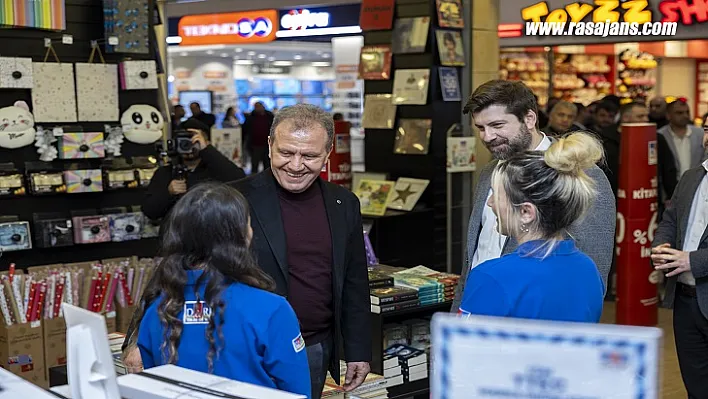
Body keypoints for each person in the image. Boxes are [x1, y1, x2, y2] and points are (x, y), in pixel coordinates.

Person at [231, 104, 371, 398]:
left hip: (313, 349)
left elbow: (355, 281)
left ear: (327, 154)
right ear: (269, 146)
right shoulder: (233, 199)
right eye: (286, 153)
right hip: (242, 348)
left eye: (309, 156)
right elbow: (182, 267)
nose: (295, 165)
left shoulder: (344, 203)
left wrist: (358, 349)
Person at [451, 80, 615, 314]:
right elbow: (477, 254)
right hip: (480, 308)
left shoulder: (580, 173)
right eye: (480, 128)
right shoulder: (490, 170)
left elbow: (592, 271)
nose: (487, 137)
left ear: (529, 119)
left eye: (497, 125)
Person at [136, 183, 311, 398]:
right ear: (239, 238)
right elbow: (298, 391)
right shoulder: (272, 310)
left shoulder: (156, 307)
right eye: (248, 224)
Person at [459, 133, 605, 322]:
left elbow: (466, 349)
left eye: (496, 194)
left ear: (526, 212)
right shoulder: (588, 269)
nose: (489, 203)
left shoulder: (492, 276)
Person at [650, 114, 708, 399]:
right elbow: (670, 218)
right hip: (686, 301)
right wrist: (662, 246)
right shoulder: (691, 177)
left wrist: (692, 261)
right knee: (695, 384)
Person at [142, 119, 246, 220]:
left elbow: (239, 179)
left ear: (206, 142)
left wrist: (207, 150)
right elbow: (149, 211)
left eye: (193, 141)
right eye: (183, 141)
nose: (188, 145)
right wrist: (168, 193)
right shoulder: (165, 173)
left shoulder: (216, 170)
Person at [598, 102, 677, 201]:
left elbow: (668, 169)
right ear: (625, 118)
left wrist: (671, 196)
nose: (646, 120)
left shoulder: (656, 138)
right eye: (640, 116)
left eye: (646, 116)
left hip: (647, 196)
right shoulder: (604, 139)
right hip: (613, 196)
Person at [658, 99, 704, 180]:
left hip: (696, 185)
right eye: (679, 113)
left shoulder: (701, 134)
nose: (685, 116)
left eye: (687, 112)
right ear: (668, 115)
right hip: (670, 187)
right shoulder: (660, 136)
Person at [242, 102, 275, 174]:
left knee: (267, 164)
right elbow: (245, 129)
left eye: (259, 106)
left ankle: (268, 180)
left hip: (267, 145)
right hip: (255, 144)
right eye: (256, 107)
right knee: (254, 164)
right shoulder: (251, 117)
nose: (258, 108)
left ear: (263, 106)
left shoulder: (270, 116)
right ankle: (254, 180)